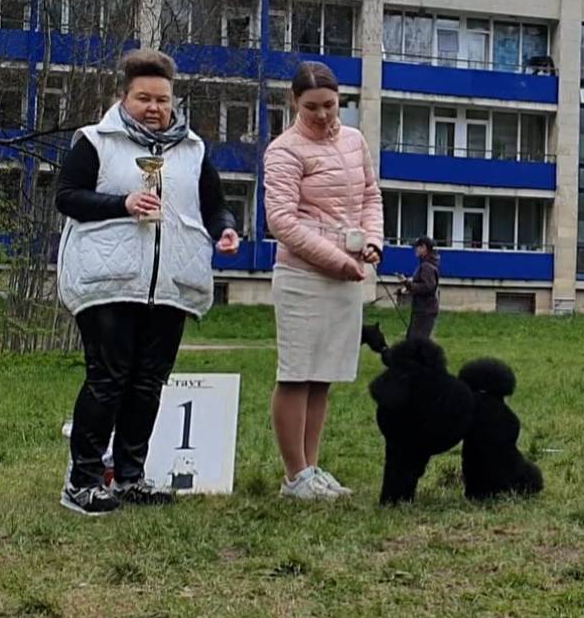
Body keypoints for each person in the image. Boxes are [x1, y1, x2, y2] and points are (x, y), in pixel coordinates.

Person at [55, 49, 240, 515]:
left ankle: (131, 476)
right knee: (108, 379)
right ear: (124, 96)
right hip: (108, 280)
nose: (155, 108)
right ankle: (83, 480)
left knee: (148, 384)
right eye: (144, 98)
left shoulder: (193, 149)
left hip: (171, 285)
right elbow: (67, 197)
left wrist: (226, 230)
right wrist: (122, 204)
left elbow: (214, 204)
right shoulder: (96, 141)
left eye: (163, 100)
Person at [264, 61, 383, 501]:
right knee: (296, 374)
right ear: (295, 102)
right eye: (312, 106)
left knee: (323, 376)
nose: (322, 115)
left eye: (330, 105)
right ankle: (294, 475)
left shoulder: (355, 141)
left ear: (340, 101)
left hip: (347, 273)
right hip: (302, 277)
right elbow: (281, 221)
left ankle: (312, 469)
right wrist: (336, 260)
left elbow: (371, 195)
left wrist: (373, 242)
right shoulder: (283, 151)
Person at [399, 235, 441, 339]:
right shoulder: (427, 264)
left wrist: (408, 284)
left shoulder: (427, 266)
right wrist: (407, 289)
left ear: (424, 248)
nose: (415, 250)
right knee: (414, 340)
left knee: (416, 342)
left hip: (425, 311)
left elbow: (428, 287)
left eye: (417, 247)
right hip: (423, 309)